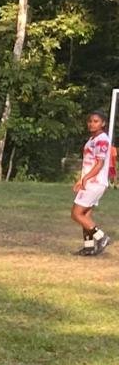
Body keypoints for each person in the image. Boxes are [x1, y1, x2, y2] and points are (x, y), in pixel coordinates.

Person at [72, 109, 112, 256]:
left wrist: (86, 179)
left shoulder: (102, 139)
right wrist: (81, 178)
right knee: (85, 215)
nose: (92, 124)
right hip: (90, 181)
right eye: (90, 121)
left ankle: (102, 237)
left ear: (103, 123)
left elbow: (100, 164)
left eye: (96, 121)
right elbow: (89, 162)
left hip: (95, 182)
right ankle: (88, 247)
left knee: (76, 214)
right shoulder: (92, 139)